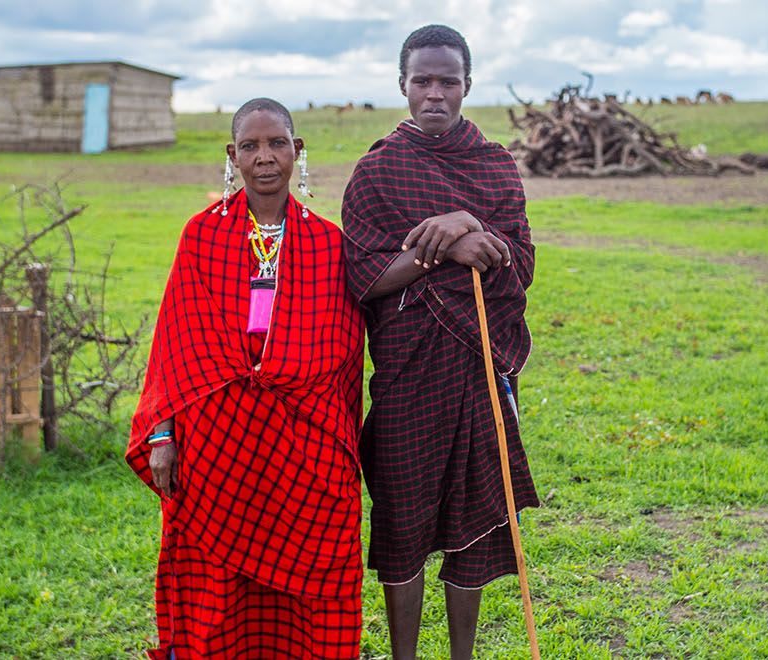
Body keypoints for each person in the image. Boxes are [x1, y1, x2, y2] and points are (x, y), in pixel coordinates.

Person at [126, 98, 365, 659]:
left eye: (278, 143)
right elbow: (173, 343)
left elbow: (344, 347)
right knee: (216, 582)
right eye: (251, 147)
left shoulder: (330, 243)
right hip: (215, 444)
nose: (265, 158)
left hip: (306, 447)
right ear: (231, 156)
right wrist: (162, 433)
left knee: (319, 569)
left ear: (296, 151)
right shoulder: (201, 235)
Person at [341, 24, 540, 659]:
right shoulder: (377, 172)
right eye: (421, 80)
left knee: (471, 524)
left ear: (467, 86)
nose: (434, 93)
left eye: (447, 81)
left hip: (477, 371)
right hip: (407, 376)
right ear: (402, 85)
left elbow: (520, 267)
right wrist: (446, 245)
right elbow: (363, 276)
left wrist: (467, 223)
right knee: (402, 521)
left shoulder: (494, 165)